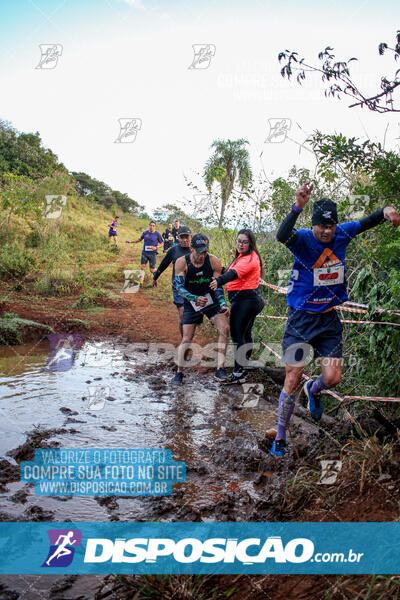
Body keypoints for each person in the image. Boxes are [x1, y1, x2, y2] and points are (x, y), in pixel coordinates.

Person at [270, 182, 400, 457]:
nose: (327, 232)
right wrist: (297, 206)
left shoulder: (343, 233)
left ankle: (314, 389)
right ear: (314, 225)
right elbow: (282, 235)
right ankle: (280, 437)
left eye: (331, 227)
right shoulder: (304, 239)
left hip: (328, 320)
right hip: (300, 320)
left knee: (333, 378)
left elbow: (368, 221)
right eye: (322, 227)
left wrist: (386, 210)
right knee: (292, 377)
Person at [172, 233, 230, 384]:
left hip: (211, 301)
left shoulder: (214, 261)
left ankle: (220, 369)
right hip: (192, 301)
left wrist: (223, 303)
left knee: (225, 329)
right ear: (191, 249)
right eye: (199, 252)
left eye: (205, 251)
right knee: (187, 338)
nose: (202, 255)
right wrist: (195, 298)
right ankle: (179, 372)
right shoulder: (181, 262)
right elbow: (179, 288)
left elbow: (217, 286)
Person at [210, 229, 265, 384]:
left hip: (246, 300)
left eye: (244, 242)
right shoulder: (243, 256)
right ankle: (243, 367)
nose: (241, 244)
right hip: (247, 299)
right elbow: (230, 270)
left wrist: (219, 281)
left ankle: (238, 371)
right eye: (239, 241)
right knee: (245, 333)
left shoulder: (250, 259)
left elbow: (233, 274)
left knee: (237, 335)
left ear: (251, 243)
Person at [153, 226, 192, 337]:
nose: (185, 240)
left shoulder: (196, 250)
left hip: (193, 287)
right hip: (178, 287)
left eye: (187, 237)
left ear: (191, 237)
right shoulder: (174, 250)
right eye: (182, 237)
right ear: (178, 238)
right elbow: (164, 264)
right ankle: (185, 341)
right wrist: (155, 277)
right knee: (182, 315)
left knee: (192, 316)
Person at [126, 221, 163, 286]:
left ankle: (155, 278)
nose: (151, 227)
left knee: (152, 270)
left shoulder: (157, 234)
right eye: (151, 225)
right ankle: (141, 282)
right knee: (142, 267)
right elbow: (139, 239)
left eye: (153, 226)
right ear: (149, 226)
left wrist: (156, 247)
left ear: (155, 227)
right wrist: (131, 241)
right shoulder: (145, 233)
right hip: (144, 253)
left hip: (152, 254)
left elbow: (162, 243)